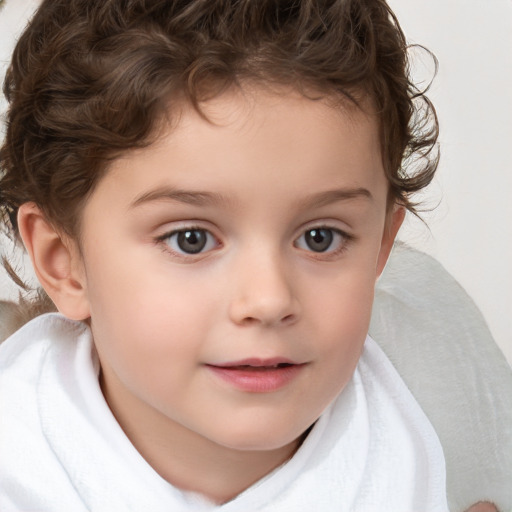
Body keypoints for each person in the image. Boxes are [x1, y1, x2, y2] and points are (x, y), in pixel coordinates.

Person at [0, 0, 496, 510]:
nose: (268, 299)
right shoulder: (17, 465)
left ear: (381, 249)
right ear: (65, 262)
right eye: (190, 238)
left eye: (320, 237)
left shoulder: (444, 426)